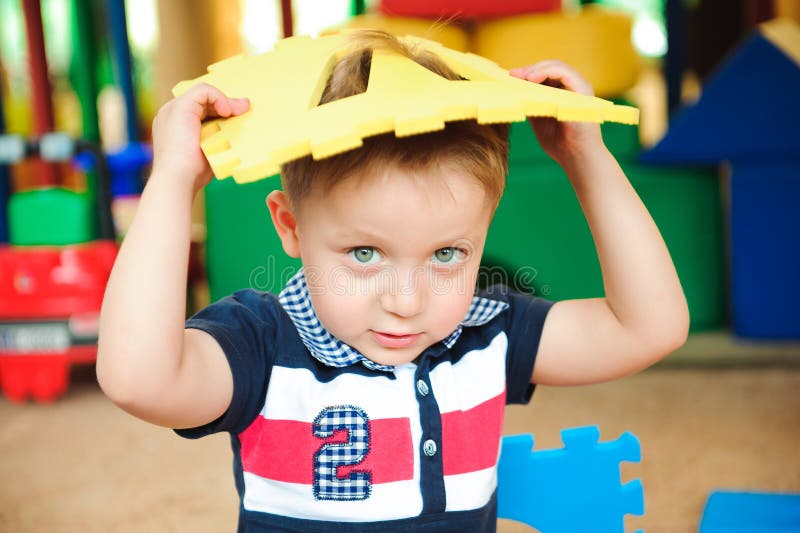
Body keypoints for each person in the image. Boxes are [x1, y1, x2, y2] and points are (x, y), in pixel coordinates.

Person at [97, 30, 689, 532]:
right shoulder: (259, 347)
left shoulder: (486, 333)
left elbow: (650, 326)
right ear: (290, 226)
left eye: (447, 254)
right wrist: (173, 179)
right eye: (363, 253)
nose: (407, 302)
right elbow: (136, 377)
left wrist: (588, 158)